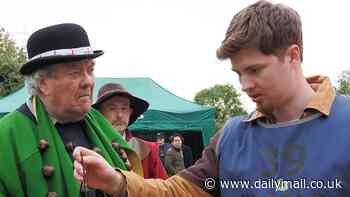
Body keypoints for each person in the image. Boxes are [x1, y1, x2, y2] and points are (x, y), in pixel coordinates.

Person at [73, 1, 350, 196]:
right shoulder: (232, 137)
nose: (244, 85)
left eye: (255, 70)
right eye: (238, 73)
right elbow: (182, 191)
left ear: (292, 56)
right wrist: (117, 182)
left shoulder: (345, 123)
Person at [0, 23, 143, 197]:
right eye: (75, 73)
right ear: (43, 83)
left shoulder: (99, 122)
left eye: (90, 70)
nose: (88, 81)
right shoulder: (7, 136)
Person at [93, 83, 168, 179]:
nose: (120, 115)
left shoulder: (148, 149)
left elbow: (163, 189)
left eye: (124, 108)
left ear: (130, 112)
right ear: (99, 114)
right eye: (112, 108)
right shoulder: (89, 147)